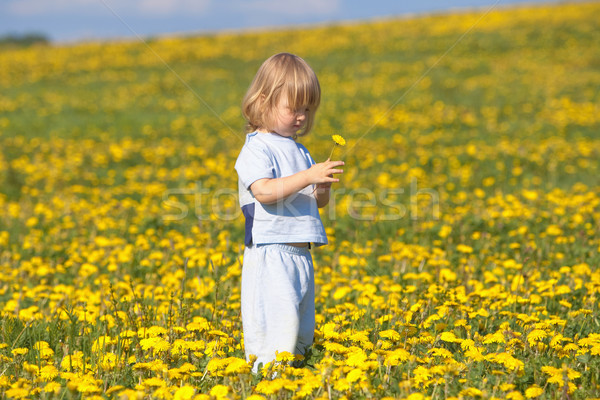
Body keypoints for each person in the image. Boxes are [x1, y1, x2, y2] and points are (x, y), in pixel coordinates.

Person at [234, 52, 344, 372]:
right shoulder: (257, 146)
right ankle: (266, 379)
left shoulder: (300, 150)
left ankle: (293, 378)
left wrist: (321, 186)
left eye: (307, 110)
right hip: (270, 249)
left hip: (300, 251)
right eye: (293, 108)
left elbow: (316, 201)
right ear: (264, 102)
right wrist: (309, 176)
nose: (301, 117)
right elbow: (264, 191)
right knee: (275, 327)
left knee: (301, 329)